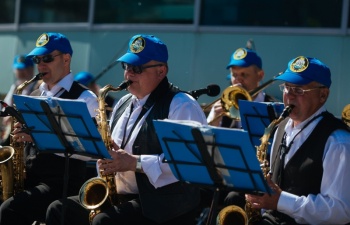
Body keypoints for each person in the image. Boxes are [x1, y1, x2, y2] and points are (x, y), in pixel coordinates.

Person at [46, 34, 208, 225]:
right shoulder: (123, 103)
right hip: (123, 196)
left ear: (161, 71)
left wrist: (135, 163)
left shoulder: (182, 105)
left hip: (162, 206)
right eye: (127, 67)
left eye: (137, 68)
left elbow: (190, 162)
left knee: (104, 221)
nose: (129, 74)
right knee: (58, 210)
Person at [0, 32, 98, 225]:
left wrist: (37, 137)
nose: (40, 65)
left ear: (66, 58)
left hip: (61, 183)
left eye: (47, 58)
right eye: (37, 59)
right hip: (31, 178)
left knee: (9, 210)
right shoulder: (34, 93)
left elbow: (90, 152)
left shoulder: (85, 98)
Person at [243, 56, 350, 224]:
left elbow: (340, 210)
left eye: (299, 90)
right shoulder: (279, 127)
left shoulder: (338, 141)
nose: (289, 96)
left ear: (323, 95)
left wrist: (281, 201)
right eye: (287, 87)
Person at [207, 47, 278, 128]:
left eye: (244, 74)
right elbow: (204, 137)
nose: (238, 80)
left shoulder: (273, 108)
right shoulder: (222, 105)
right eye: (234, 75)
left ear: (260, 75)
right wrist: (213, 121)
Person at [1, 54, 39, 145]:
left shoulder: (39, 87)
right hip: (14, 131)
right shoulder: (15, 86)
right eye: (18, 69)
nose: (21, 72)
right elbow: (5, 105)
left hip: (29, 134)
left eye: (24, 69)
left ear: (31, 69)